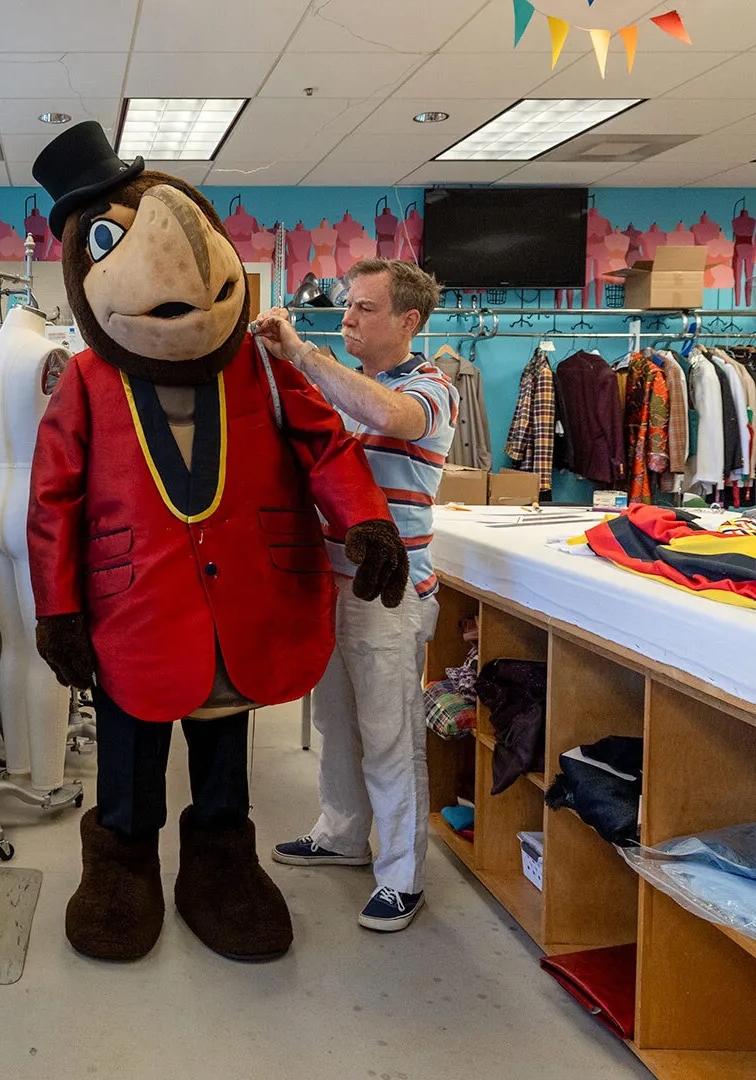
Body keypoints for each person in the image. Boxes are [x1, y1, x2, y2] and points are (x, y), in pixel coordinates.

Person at [251, 259, 456, 932]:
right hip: (331, 583)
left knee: (389, 733)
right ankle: (342, 833)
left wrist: (304, 357)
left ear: (408, 320)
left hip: (390, 593)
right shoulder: (348, 388)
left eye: (365, 308)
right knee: (334, 721)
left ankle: (401, 875)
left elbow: (389, 415)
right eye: (348, 305)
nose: (348, 318)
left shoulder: (431, 388)